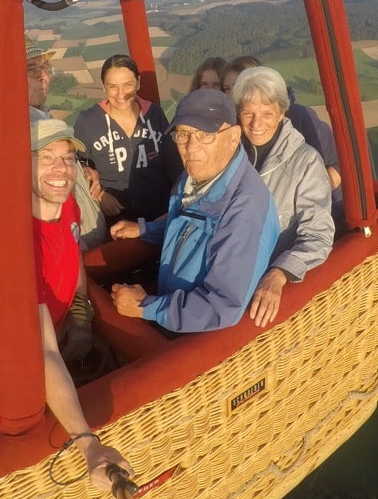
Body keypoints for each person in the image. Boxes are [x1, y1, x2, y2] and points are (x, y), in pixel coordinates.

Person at [0, 119, 131, 490]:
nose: (61, 169)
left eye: (67, 157)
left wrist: (79, 309)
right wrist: (88, 444)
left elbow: (73, 249)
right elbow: (41, 352)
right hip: (11, 377)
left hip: (55, 344)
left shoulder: (67, 203)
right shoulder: (17, 246)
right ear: (21, 165)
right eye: (46, 158)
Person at [108, 89, 279, 333]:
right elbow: (189, 224)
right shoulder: (199, 176)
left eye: (205, 135)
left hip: (199, 340)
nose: (191, 147)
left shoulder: (244, 210)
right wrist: (147, 229)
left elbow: (222, 306)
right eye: (183, 134)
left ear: (233, 137)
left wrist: (146, 306)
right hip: (177, 318)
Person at [232, 66, 335, 328]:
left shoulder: (306, 163)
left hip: (260, 283)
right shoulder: (230, 153)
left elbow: (318, 236)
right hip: (227, 274)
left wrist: (279, 274)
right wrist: (148, 228)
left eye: (267, 113)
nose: (256, 123)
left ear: (281, 112)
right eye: (248, 113)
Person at [25, 37, 107, 249]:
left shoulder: (42, 117)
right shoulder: (21, 132)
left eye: (45, 67)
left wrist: (81, 169)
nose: (44, 76)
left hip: (86, 243)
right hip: (75, 250)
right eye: (32, 69)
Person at [74, 54, 172, 224]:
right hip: (114, 219)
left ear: (138, 83)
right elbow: (77, 164)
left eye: (128, 85)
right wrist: (101, 195)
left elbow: (171, 160)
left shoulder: (154, 114)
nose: (121, 94)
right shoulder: (88, 122)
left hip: (158, 216)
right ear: (103, 86)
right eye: (112, 86)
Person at [222, 55, 343, 192]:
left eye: (239, 85)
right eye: (227, 89)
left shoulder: (300, 117)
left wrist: (308, 193)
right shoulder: (232, 133)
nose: (233, 94)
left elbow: (338, 164)